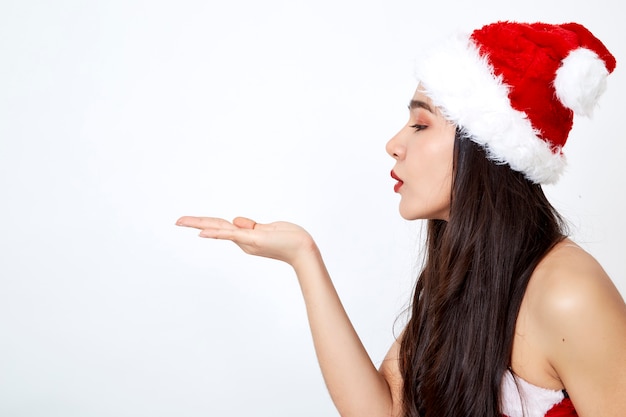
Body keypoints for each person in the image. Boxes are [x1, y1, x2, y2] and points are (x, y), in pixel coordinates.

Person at [176, 21, 626, 417]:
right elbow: (385, 410)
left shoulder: (570, 294)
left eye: (421, 124)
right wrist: (304, 257)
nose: (394, 143)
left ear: (488, 150)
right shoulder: (467, 275)